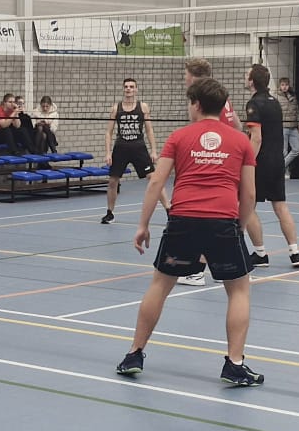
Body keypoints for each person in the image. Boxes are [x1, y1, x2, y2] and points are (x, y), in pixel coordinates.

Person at [113, 76, 264, 388]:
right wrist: (239, 225)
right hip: (223, 220)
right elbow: (249, 193)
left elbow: (156, 182)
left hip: (182, 219)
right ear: (222, 107)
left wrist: (142, 225)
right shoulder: (240, 141)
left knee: (160, 285)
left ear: (195, 105)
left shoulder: (179, 136)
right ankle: (235, 364)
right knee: (239, 290)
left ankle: (134, 354)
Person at [176, 57, 241, 285]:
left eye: (186, 74)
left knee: (206, 219)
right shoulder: (221, 96)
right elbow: (238, 126)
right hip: (226, 163)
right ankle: (228, 268)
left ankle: (198, 271)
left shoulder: (201, 100)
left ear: (193, 75)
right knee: (227, 218)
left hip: (211, 165)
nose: (184, 78)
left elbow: (199, 133)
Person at [242, 64, 299, 269]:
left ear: (252, 81)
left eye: (247, 75)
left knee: (248, 207)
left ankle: (260, 254)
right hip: (277, 162)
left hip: (260, 162)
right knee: (280, 206)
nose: (245, 77)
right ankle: (295, 253)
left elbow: (256, 138)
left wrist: (247, 162)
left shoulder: (254, 103)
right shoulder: (275, 101)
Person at [101, 77, 166, 225]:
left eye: (131, 86)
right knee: (112, 181)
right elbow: (108, 132)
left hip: (139, 148)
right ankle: (110, 213)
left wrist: (154, 150)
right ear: (123, 89)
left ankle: (169, 209)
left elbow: (149, 130)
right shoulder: (116, 108)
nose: (128, 89)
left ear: (136, 89)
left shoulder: (143, 107)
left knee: (153, 178)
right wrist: (108, 153)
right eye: (126, 87)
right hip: (121, 148)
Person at [276, 77, 299, 171]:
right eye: (282, 85)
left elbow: (297, 111)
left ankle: (280, 168)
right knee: (284, 152)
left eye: (286, 85)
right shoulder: (276, 97)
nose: (284, 87)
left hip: (293, 126)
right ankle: (283, 172)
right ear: (279, 86)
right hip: (283, 127)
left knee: (297, 149)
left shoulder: (293, 96)